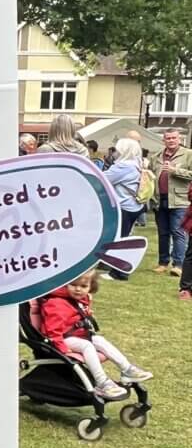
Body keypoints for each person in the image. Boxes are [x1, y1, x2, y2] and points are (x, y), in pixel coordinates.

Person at [39, 269, 152, 400]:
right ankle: (102, 382)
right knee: (87, 346)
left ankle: (127, 369)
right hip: (64, 339)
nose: (78, 290)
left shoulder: (81, 299)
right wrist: (63, 348)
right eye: (74, 285)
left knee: (100, 340)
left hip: (79, 334)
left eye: (83, 286)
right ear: (65, 284)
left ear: (91, 286)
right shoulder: (57, 303)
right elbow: (53, 331)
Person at [99, 137, 145, 281]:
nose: (114, 152)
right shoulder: (137, 163)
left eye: (117, 150)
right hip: (134, 205)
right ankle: (118, 269)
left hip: (124, 206)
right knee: (124, 237)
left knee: (120, 239)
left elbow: (103, 179)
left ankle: (119, 272)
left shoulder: (123, 166)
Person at [148, 128, 192, 277]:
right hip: (161, 199)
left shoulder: (188, 155)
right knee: (163, 233)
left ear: (179, 139)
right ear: (164, 140)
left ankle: (178, 265)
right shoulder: (156, 157)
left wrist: (175, 171)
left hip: (180, 200)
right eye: (168, 138)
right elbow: (150, 175)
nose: (171, 140)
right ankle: (162, 263)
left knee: (178, 232)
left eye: (174, 138)